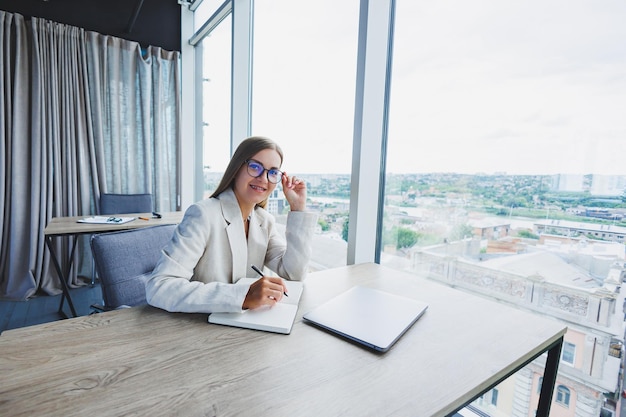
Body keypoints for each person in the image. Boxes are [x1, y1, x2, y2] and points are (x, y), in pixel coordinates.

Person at [145, 136, 318, 313]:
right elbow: (159, 287)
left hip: (245, 327)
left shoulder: (264, 221)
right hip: (199, 327)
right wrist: (242, 296)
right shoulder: (203, 214)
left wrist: (298, 209)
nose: (263, 178)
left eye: (272, 172)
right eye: (255, 167)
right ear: (236, 169)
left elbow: (294, 274)